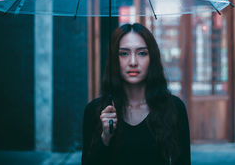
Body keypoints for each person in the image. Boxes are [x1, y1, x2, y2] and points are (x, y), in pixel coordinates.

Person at [82, 23, 191, 165]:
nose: (133, 62)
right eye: (124, 53)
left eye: (142, 53)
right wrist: (105, 138)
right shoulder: (96, 111)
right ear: (115, 58)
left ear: (152, 58)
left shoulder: (174, 108)